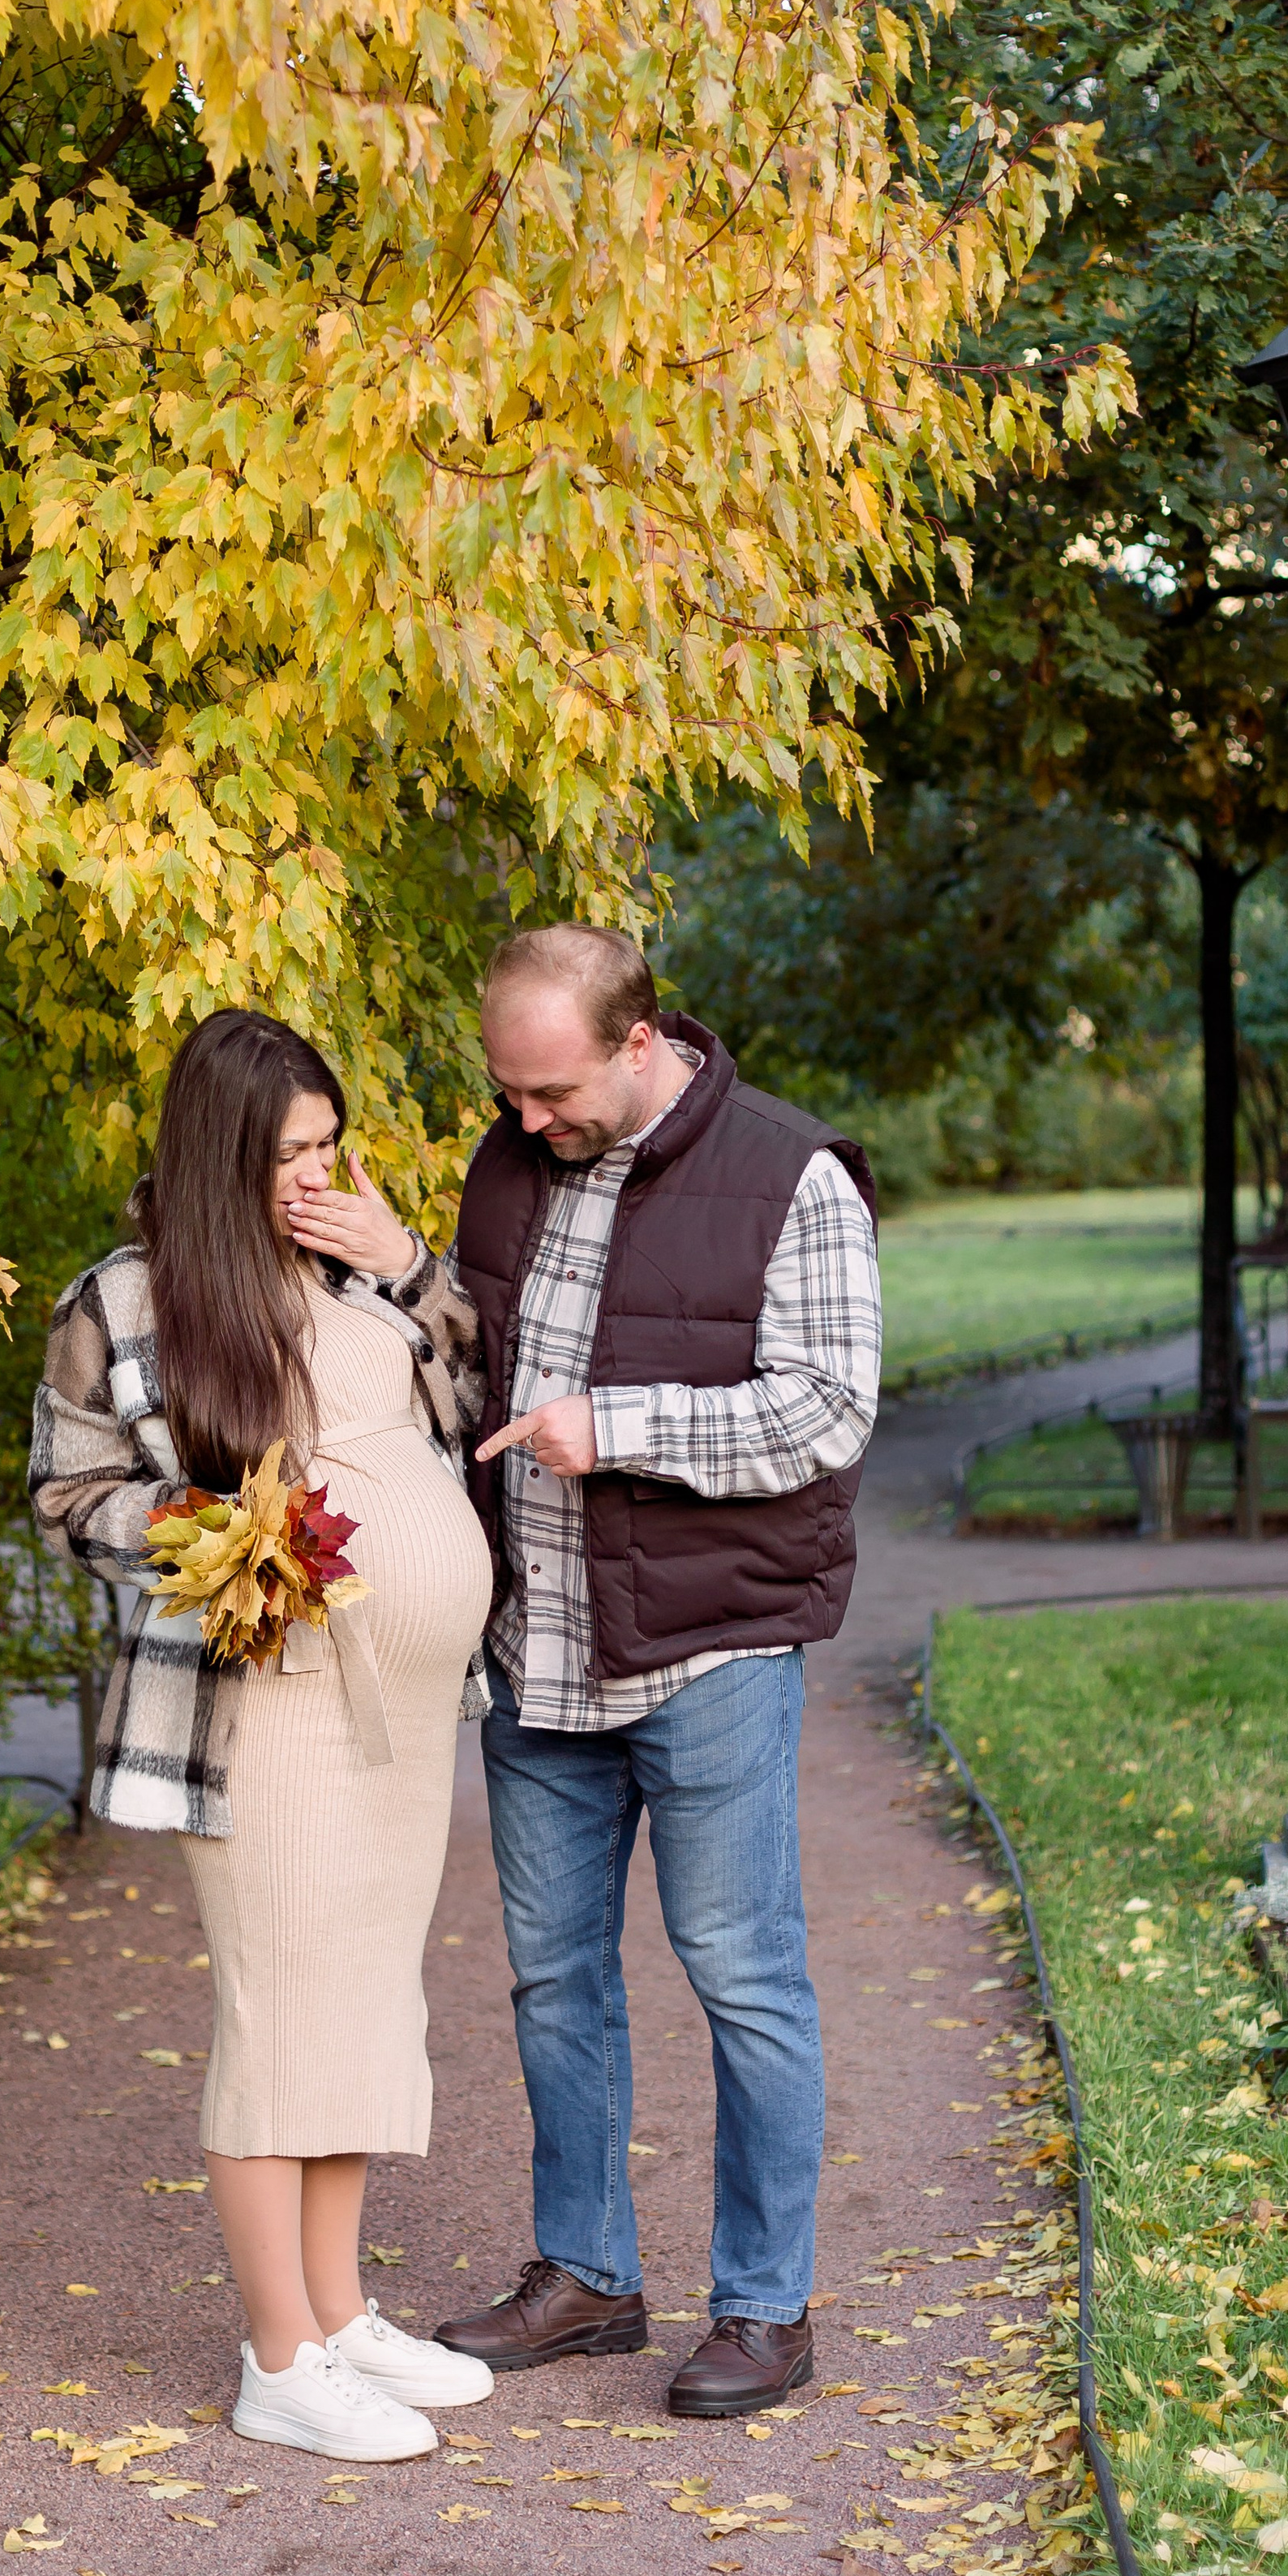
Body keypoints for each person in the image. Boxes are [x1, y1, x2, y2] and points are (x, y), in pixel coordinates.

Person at [28, 1008, 498, 2461]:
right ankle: (280, 2355)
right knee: (280, 2018)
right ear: (221, 1153)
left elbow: (471, 1389)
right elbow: (64, 1492)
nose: (315, 1172)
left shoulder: (349, 1256)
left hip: (407, 1707)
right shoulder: (124, 1299)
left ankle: (342, 2311)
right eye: (289, 1153)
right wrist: (204, 1528)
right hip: (260, 1704)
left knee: (366, 2003)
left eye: (329, 1146)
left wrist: (404, 1255)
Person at [430, 925, 880, 2418]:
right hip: (538, 1653)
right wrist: (398, 1276)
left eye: (550, 1090)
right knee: (555, 1982)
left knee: (744, 1979)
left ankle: (766, 2306)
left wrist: (614, 1425)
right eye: (508, 1091)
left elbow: (824, 1411)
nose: (525, 1120)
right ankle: (587, 2279)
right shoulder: (510, 1159)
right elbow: (471, 1366)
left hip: (707, 1655)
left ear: (638, 1045)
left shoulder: (793, 1175)